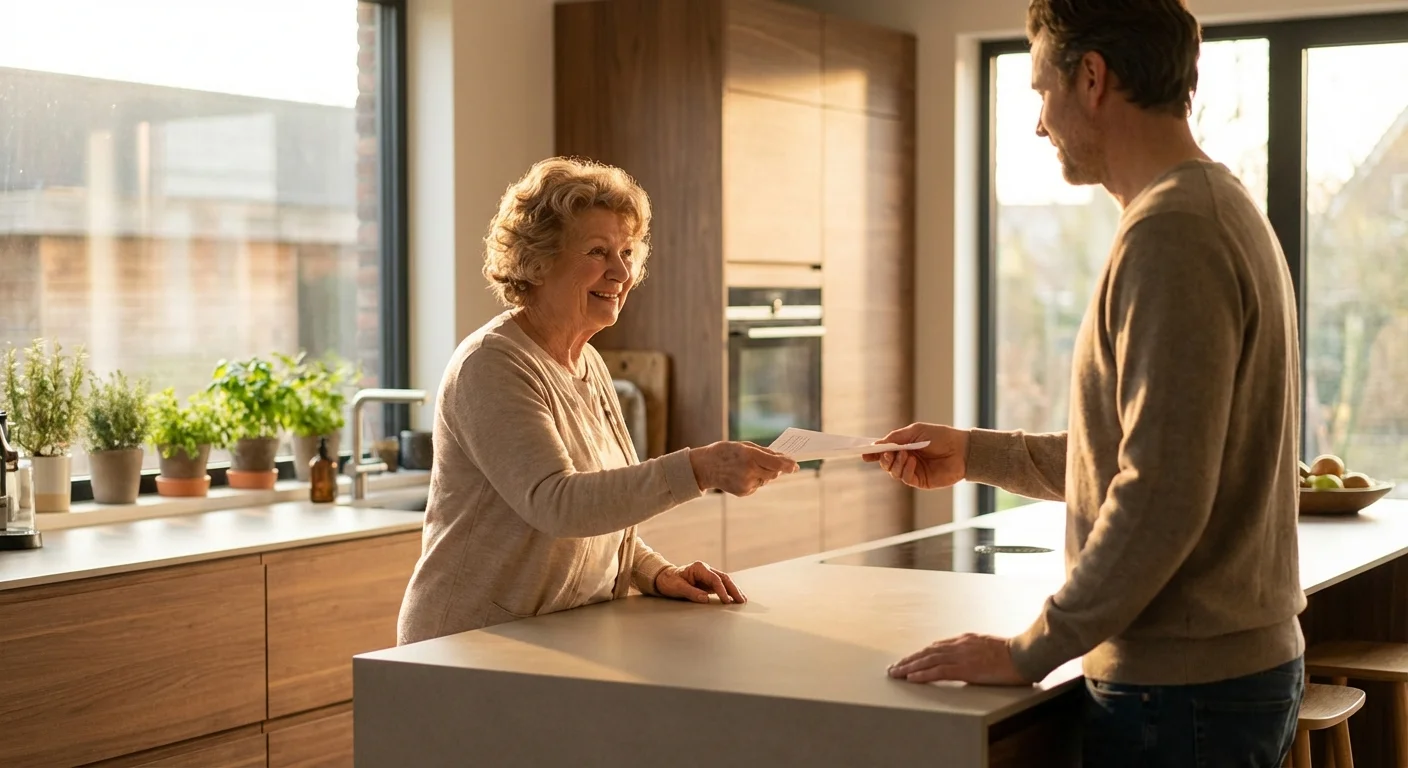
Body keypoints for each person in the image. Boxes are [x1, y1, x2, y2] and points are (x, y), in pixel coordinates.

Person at [868, 1, 1306, 764]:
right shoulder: (1213, 206)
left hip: (1181, 691)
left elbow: (1161, 493)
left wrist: (1030, 649)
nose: (1040, 123)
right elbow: (1144, 446)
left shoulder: (1175, 232)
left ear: (1093, 78)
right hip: (1210, 679)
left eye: (1042, 91)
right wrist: (974, 453)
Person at [398, 157, 797, 645]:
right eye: (597, 251)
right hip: (469, 644)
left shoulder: (588, 362)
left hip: (550, 636)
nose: (620, 272)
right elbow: (557, 505)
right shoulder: (492, 365)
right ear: (537, 261)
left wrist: (653, 572)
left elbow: (596, 513)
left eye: (627, 252)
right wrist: (699, 469)